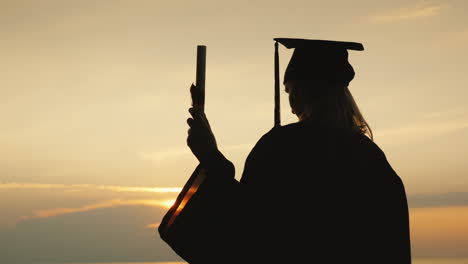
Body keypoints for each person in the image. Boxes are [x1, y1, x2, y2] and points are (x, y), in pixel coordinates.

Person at [180, 38, 411, 263]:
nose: (291, 106)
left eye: (290, 91)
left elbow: (246, 228)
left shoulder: (283, 146)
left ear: (305, 90)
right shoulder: (372, 159)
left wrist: (210, 155)